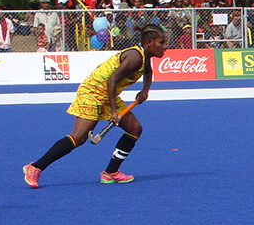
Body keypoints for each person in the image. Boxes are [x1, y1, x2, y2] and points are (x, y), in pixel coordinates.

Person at [23, 24, 167, 189]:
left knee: (135, 129)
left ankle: (110, 172)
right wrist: (114, 111)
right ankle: (35, 167)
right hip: (93, 92)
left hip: (107, 94)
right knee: (79, 137)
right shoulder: (135, 57)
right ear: (150, 42)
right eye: (162, 43)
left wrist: (145, 90)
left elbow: (148, 71)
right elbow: (111, 80)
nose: (165, 47)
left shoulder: (145, 57)